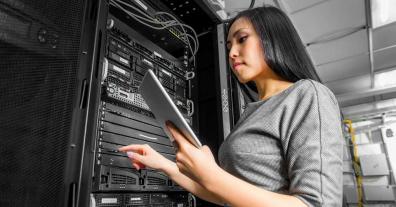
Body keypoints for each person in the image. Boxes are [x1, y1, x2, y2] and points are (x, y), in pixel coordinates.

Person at [119, 5, 343, 207]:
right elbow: (225, 193)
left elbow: (318, 204)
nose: (232, 53)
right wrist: (164, 165)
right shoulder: (251, 111)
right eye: (228, 47)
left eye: (242, 39)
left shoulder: (307, 94)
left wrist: (211, 175)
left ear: (273, 38)